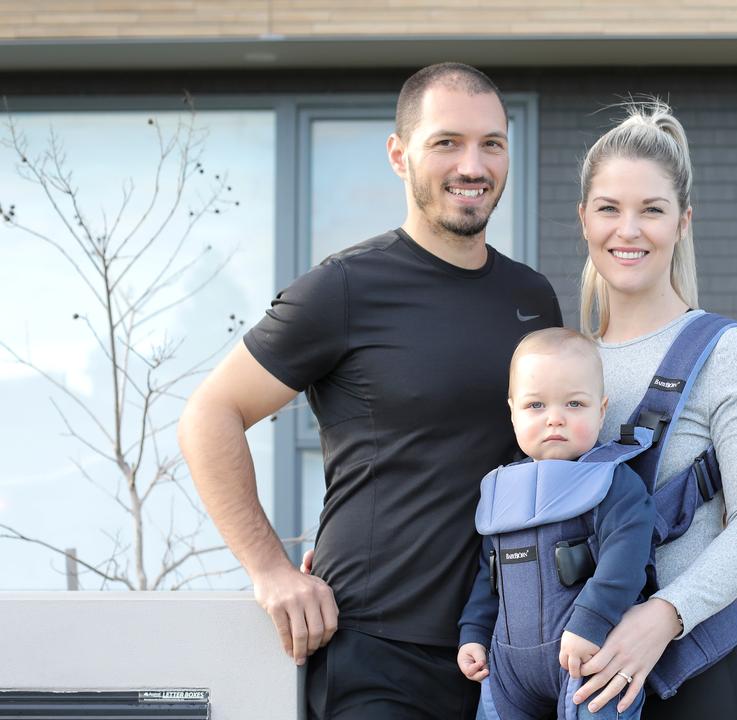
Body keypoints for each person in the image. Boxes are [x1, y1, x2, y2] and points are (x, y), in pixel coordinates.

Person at [177, 63, 562, 720]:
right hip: (376, 652)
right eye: (447, 142)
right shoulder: (345, 288)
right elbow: (209, 414)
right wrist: (270, 570)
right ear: (399, 154)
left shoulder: (532, 298)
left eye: (491, 143)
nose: (473, 164)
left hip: (505, 653)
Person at [568, 101, 737, 720]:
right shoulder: (565, 367)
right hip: (582, 687)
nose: (628, 230)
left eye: (652, 210)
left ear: (683, 221)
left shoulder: (729, 352)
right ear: (584, 219)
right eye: (609, 208)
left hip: (695, 682)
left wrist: (664, 617)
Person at [456, 327, 654, 720]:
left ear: (602, 410)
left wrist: (591, 622)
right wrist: (474, 635)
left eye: (575, 404)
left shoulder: (612, 482)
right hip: (507, 671)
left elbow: (625, 563)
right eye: (535, 406)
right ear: (511, 411)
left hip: (590, 657)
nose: (555, 420)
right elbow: (488, 576)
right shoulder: (500, 490)